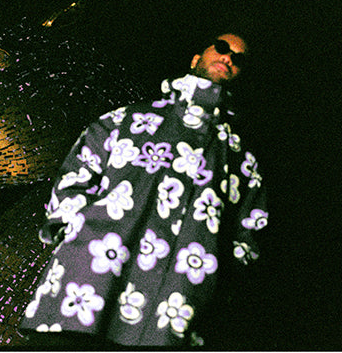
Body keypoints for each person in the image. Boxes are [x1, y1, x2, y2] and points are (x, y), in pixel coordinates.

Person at [19, 32, 268, 348]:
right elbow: (72, 180)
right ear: (195, 59)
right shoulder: (126, 119)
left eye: (239, 58)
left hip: (167, 320)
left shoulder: (242, 159)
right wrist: (82, 239)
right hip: (83, 295)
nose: (228, 57)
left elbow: (249, 235)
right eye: (221, 47)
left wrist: (210, 284)